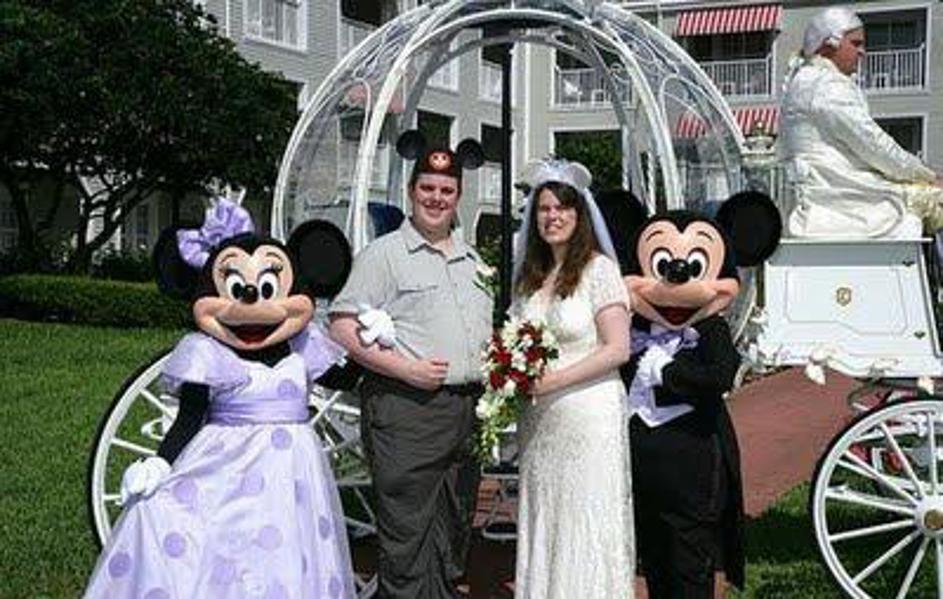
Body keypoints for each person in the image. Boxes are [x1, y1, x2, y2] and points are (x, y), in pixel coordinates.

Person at [84, 200, 356, 598]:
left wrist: (371, 338)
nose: (253, 301)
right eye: (237, 288)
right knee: (227, 544)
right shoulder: (207, 353)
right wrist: (160, 463)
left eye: (268, 287)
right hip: (225, 466)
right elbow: (189, 418)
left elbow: (345, 379)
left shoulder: (303, 347)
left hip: (292, 472)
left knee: (288, 547)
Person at [328, 130, 492, 598]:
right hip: (408, 410)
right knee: (407, 533)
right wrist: (405, 369)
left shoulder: (472, 260)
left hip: (467, 411)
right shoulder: (384, 255)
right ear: (411, 191)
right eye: (427, 188)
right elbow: (341, 326)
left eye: (446, 190)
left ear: (458, 195)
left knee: (452, 530)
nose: (436, 198)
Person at [620, 192, 781, 599]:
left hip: (691, 466)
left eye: (693, 267)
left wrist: (668, 372)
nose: (676, 279)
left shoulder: (709, 330)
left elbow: (721, 376)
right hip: (642, 467)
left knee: (690, 563)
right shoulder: (632, 327)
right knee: (654, 560)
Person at [511, 159, 634, 599]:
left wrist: (555, 380)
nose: (552, 217)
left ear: (580, 216)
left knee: (584, 515)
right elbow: (514, 340)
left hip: (588, 416)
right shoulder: (529, 278)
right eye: (544, 209)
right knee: (546, 512)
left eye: (562, 208)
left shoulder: (599, 271)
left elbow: (617, 349)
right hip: (541, 422)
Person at [779, 6, 943, 238]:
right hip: (839, 194)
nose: (862, 52)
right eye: (855, 44)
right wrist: (926, 175)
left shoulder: (802, 81)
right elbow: (874, 145)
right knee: (932, 198)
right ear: (829, 45)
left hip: (821, 191)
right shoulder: (827, 86)